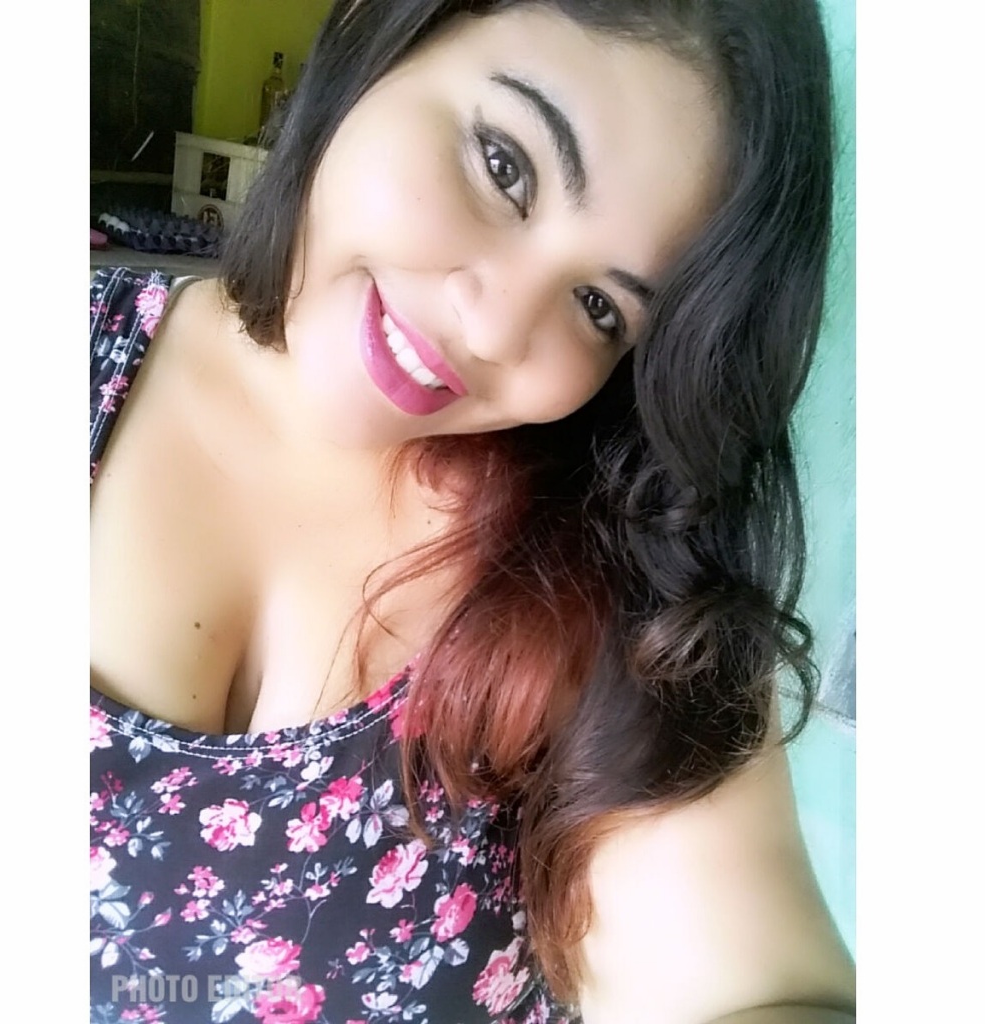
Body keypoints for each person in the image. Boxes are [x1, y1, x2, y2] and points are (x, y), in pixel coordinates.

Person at [90, 1, 856, 1021]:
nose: (495, 329)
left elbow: (757, 992)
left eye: (599, 307)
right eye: (505, 166)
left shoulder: (607, 565)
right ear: (385, 32)